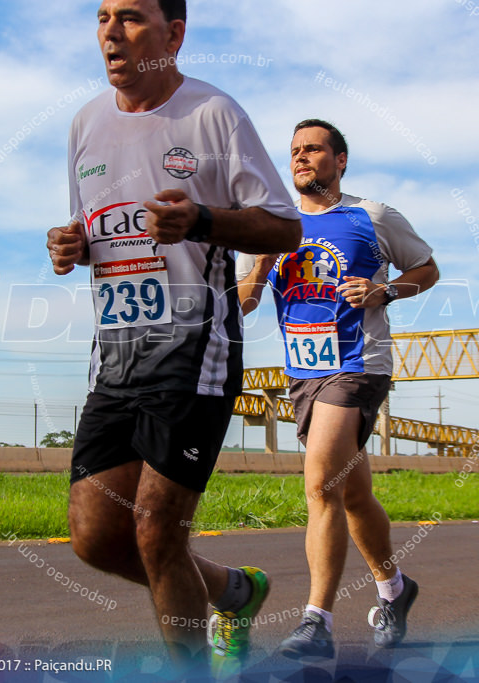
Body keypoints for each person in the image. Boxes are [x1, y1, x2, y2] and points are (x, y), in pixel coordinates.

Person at [46, 0, 302, 676]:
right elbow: (94, 230)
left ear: (174, 34)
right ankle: (233, 590)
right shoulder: (84, 124)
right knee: (97, 538)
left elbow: (285, 228)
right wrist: (69, 244)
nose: (109, 31)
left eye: (129, 16)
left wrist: (202, 221)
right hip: (118, 354)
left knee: (158, 531)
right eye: (101, 16)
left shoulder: (213, 114)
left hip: (197, 348)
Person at [237, 119, 439, 658]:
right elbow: (249, 296)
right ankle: (394, 590)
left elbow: (428, 268)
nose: (301, 158)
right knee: (352, 494)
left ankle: (316, 622)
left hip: (357, 364)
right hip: (304, 373)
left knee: (322, 482)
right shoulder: (276, 225)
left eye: (314, 149)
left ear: (340, 160)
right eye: (295, 151)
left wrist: (384, 290)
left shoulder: (370, 215)